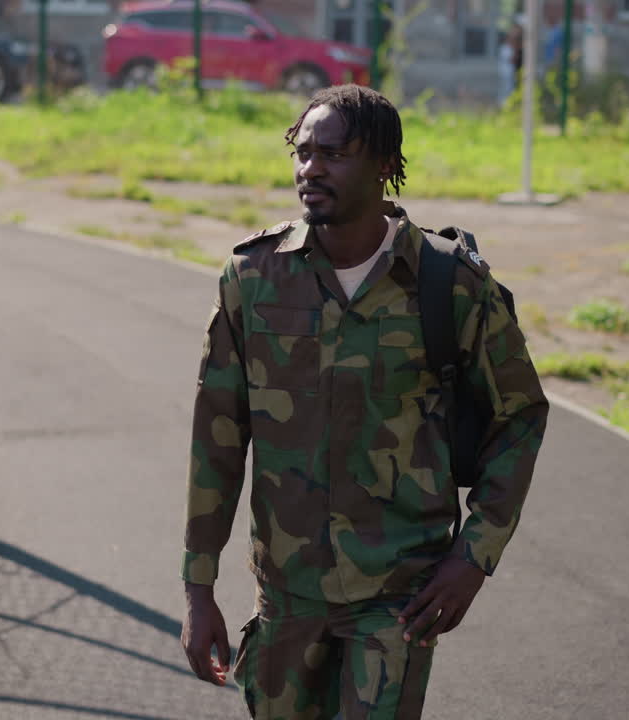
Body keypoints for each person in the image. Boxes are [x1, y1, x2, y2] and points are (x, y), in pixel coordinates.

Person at [180, 84, 548, 719]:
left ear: (384, 164)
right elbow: (217, 434)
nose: (310, 168)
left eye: (333, 154)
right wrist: (198, 587)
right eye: (302, 152)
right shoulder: (254, 279)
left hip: (397, 592)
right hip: (287, 593)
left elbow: (520, 416)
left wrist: (473, 558)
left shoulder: (450, 284)